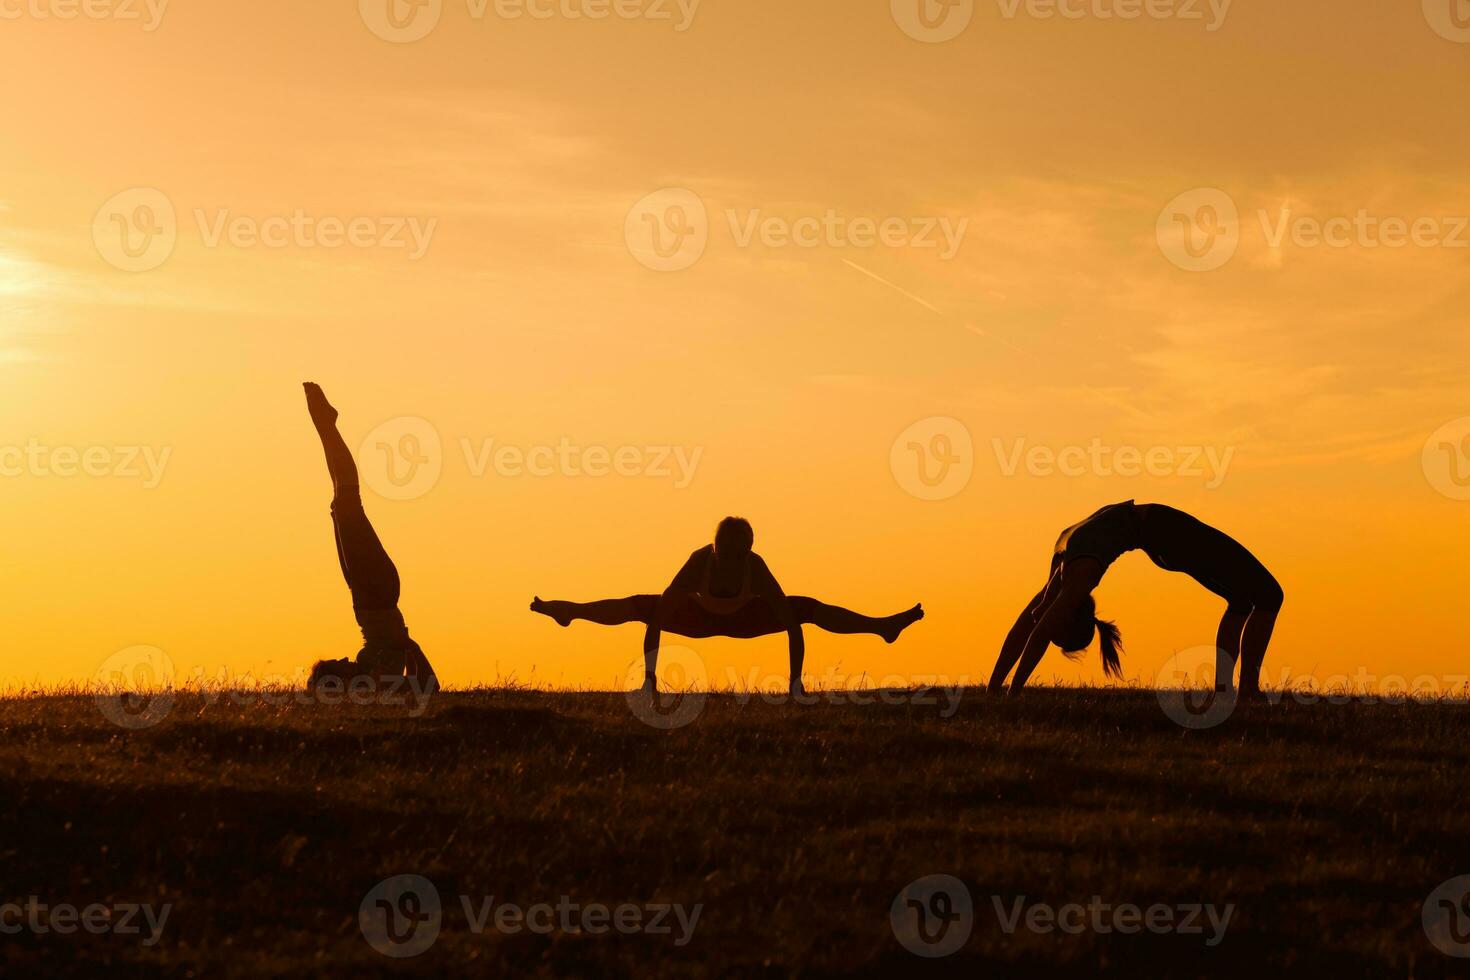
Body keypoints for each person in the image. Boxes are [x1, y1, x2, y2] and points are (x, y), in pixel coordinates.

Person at [531, 517, 924, 695]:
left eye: (738, 553)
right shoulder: (699, 562)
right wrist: (650, 679)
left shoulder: (755, 566)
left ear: (749, 549)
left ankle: (881, 627)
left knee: (806, 606)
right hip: (696, 617)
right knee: (639, 605)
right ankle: (570, 611)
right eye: (724, 552)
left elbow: (790, 623)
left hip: (746, 619)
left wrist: (795, 684)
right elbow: (660, 617)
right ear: (715, 548)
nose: (730, 559)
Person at [988, 501, 1282, 696]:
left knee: (1245, 598)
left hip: (1165, 536)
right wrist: (1003, 691)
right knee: (1268, 595)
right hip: (1167, 533)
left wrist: (1003, 692)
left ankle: (1230, 692)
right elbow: (1032, 629)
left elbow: (1031, 629)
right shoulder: (1073, 571)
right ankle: (1243, 692)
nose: (1050, 621)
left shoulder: (1069, 577)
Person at [303, 382, 437, 696]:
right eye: (337, 665)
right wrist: (410, 647)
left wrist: (407, 648)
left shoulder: (370, 674)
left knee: (340, 504)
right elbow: (429, 687)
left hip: (368, 598)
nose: (344, 658)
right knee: (348, 500)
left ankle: (326, 427)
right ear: (340, 681)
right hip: (377, 593)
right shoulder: (372, 681)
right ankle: (327, 427)